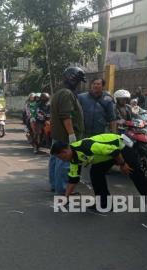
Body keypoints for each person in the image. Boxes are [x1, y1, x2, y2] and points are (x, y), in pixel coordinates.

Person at [50, 134, 147, 221]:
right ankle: (105, 203)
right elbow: (73, 179)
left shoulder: (86, 147)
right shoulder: (73, 159)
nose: (61, 160)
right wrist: (66, 197)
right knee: (95, 173)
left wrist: (123, 165)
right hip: (106, 156)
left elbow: (114, 151)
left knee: (137, 177)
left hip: (120, 148)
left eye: (61, 157)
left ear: (65, 151)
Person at [49, 66, 85, 194]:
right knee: (64, 163)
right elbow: (66, 115)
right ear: (73, 80)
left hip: (58, 133)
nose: (80, 84)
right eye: (79, 81)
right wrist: (71, 134)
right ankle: (63, 189)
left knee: (56, 160)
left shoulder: (59, 92)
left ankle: (55, 184)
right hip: (65, 135)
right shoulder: (66, 93)